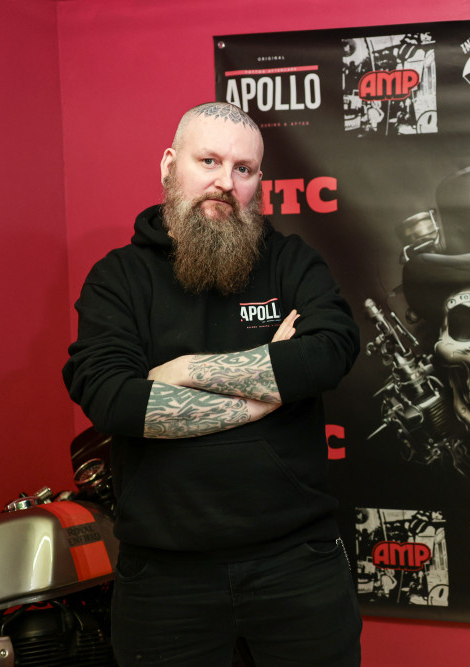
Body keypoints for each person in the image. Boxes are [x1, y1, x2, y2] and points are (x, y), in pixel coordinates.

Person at [63, 102, 362, 666]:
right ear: (169, 166)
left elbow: (329, 352)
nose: (225, 183)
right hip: (164, 579)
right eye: (209, 161)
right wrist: (268, 378)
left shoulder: (292, 262)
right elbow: (112, 398)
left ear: (258, 182)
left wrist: (180, 372)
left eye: (244, 169)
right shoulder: (117, 278)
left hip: (297, 564)